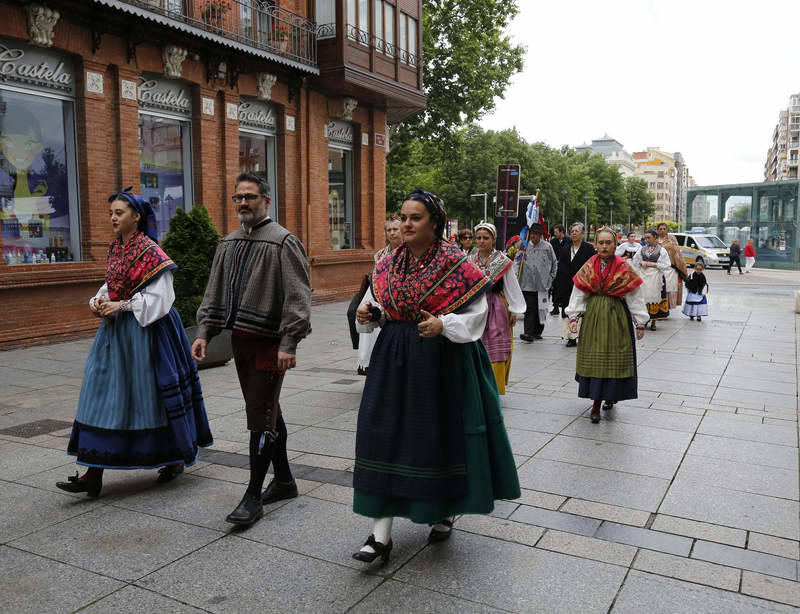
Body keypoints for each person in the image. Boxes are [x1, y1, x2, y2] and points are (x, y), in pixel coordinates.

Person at [351, 189, 520, 563]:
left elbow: (478, 314)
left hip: (442, 359)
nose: (405, 224)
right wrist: (372, 316)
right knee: (383, 435)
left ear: (435, 223)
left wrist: (444, 324)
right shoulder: (387, 264)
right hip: (394, 356)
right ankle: (380, 534)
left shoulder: (457, 264)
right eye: (403, 217)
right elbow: (382, 308)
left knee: (435, 437)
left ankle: (443, 511)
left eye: (415, 218)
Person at [56, 188, 213, 498]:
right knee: (100, 396)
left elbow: (162, 299)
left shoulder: (152, 252)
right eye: (111, 213)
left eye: (119, 213)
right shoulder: (117, 249)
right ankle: (93, 472)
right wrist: (98, 300)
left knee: (151, 398)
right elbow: (110, 285)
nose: (113, 217)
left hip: (150, 334)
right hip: (115, 336)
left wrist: (123, 305)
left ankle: (172, 457)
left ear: (137, 217)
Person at [192, 172, 311, 527]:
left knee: (259, 417)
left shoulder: (283, 241)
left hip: (269, 343)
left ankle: (253, 496)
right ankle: (286, 481)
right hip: (240, 340)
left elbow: (298, 296)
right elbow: (213, 292)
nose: (243, 203)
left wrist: (289, 342)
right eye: (238, 197)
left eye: (251, 197)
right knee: (267, 409)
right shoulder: (227, 242)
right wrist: (204, 332)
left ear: (266, 201)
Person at [566, 227, 647, 424]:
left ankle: (611, 395)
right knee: (596, 360)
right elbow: (579, 292)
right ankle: (595, 403)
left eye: (608, 243)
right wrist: (574, 317)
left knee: (615, 358)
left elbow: (634, 296)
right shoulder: (589, 266)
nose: (604, 246)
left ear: (614, 245)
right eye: (600, 243)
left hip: (617, 316)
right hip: (594, 315)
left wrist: (640, 321)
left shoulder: (624, 266)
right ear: (595, 245)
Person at [470, 222, 526, 394]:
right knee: (475, 344)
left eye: (485, 238)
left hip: (496, 306)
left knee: (495, 346)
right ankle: (477, 385)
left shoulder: (503, 262)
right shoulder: (470, 259)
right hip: (475, 305)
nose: (481, 241)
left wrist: (515, 310)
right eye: (478, 238)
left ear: (493, 240)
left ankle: (494, 387)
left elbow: (511, 286)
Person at [357, 216, 403, 375]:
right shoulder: (379, 255)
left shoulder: (408, 252)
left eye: (395, 229)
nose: (392, 233)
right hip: (379, 296)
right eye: (389, 230)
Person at [552, 222, 595, 347]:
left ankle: (583, 335)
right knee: (568, 310)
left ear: (582, 233)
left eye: (577, 231)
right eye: (572, 231)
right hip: (567, 284)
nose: (574, 233)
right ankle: (570, 337)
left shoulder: (588, 248)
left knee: (582, 310)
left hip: (583, 284)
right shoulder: (565, 248)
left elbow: (591, 265)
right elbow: (562, 266)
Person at [513, 222, 557, 342]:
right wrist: (515, 275)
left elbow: (554, 263)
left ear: (541, 235)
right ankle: (528, 333)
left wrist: (551, 277)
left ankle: (537, 331)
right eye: (532, 233)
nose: (534, 236)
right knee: (529, 309)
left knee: (540, 309)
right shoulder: (524, 246)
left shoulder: (547, 247)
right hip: (527, 284)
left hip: (542, 284)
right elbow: (517, 262)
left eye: (537, 234)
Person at [633, 229, 671, 330]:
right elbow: (635, 261)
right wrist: (641, 264)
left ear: (655, 237)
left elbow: (667, 265)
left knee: (655, 297)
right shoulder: (642, 249)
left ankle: (654, 321)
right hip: (644, 276)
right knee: (644, 297)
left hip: (656, 276)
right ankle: (645, 320)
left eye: (649, 237)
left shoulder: (661, 250)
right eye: (646, 238)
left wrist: (651, 264)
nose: (647, 239)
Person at [656, 222, 687, 308]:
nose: (662, 230)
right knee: (658, 287)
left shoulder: (672, 239)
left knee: (669, 287)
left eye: (664, 229)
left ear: (667, 230)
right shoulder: (655, 239)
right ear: (657, 230)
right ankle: (658, 306)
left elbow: (677, 252)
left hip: (670, 267)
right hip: (657, 266)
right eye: (660, 229)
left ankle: (667, 307)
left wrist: (681, 266)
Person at [549, 224, 567, 314]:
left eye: (556, 232)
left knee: (564, 289)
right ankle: (555, 307)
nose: (554, 234)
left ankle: (564, 308)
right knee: (555, 289)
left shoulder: (569, 241)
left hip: (565, 269)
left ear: (561, 232)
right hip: (556, 268)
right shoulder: (552, 242)